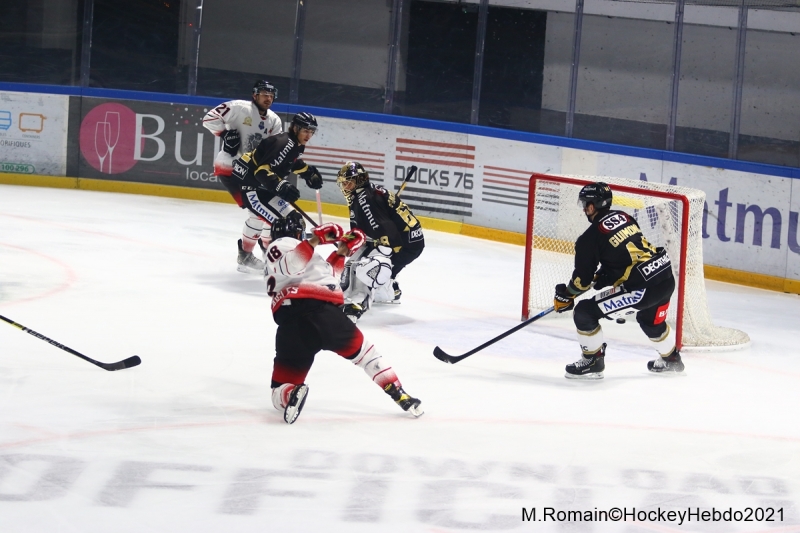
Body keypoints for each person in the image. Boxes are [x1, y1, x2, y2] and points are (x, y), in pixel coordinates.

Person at [263, 211, 424, 424]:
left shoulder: (292, 255)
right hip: (321, 313)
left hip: (290, 325)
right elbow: (292, 265)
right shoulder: (284, 244)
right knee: (367, 356)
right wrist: (315, 240)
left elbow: (329, 278)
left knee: (279, 388)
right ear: (298, 232)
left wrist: (342, 251)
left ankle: (290, 394)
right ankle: (399, 394)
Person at [553, 182, 685, 379]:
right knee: (650, 321)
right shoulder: (625, 217)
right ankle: (671, 359)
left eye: (585, 205)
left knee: (584, 312)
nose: (584, 209)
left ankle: (593, 361)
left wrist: (566, 296)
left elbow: (582, 281)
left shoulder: (589, 238)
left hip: (643, 288)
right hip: (665, 277)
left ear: (591, 206)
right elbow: (626, 252)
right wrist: (608, 274)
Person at [222, 111, 324, 273]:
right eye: (306, 130)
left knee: (295, 221)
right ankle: (280, 265)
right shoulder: (284, 143)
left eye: (312, 131)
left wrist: (307, 173)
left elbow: (290, 163)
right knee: (287, 226)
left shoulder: (295, 143)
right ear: (296, 128)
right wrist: (280, 185)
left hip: (264, 189)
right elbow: (262, 172)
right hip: (253, 190)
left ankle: (276, 259)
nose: (309, 135)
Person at [203, 80, 284, 274]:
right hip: (230, 169)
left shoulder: (274, 120)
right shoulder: (238, 108)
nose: (268, 98)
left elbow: (275, 148)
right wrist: (224, 134)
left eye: (271, 95)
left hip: (252, 173)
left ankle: (266, 249)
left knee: (267, 210)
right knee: (258, 212)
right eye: (264, 94)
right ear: (254, 95)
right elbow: (208, 118)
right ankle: (246, 256)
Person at [335, 161, 425, 322]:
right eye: (344, 183)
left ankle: (356, 305)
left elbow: (386, 232)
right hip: (408, 241)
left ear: (359, 180)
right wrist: (348, 241)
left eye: (348, 182)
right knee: (360, 261)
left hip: (405, 244)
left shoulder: (365, 199)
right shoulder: (364, 194)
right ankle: (390, 289)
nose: (345, 187)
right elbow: (363, 231)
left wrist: (382, 252)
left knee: (367, 265)